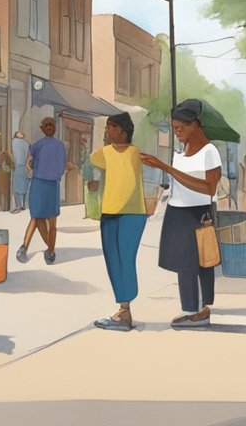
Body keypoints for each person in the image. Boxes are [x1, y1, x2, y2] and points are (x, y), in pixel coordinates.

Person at [141, 99, 222, 329]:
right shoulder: (180, 152)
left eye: (180, 128)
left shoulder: (210, 152)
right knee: (182, 263)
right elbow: (177, 183)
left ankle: (200, 311)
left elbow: (210, 188)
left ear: (195, 125)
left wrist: (166, 168)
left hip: (198, 213)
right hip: (177, 210)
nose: (177, 133)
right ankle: (192, 310)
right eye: (174, 128)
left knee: (199, 262)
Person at [90, 113, 147, 331]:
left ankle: (125, 309)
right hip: (110, 212)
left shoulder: (134, 153)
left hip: (132, 214)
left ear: (123, 130)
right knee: (113, 260)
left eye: (111, 128)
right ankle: (123, 310)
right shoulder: (105, 152)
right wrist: (106, 142)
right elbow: (94, 158)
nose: (107, 131)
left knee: (126, 258)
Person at [19, 117, 66, 265]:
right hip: (42, 183)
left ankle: (33, 248)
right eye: (47, 125)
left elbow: (29, 163)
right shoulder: (41, 145)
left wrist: (33, 167)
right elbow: (30, 162)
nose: (50, 127)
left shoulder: (53, 145)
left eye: (52, 125)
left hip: (47, 184)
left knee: (46, 219)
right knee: (39, 217)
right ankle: (48, 251)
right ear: (42, 128)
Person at [9, 131, 31, 213]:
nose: (20, 134)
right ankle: (21, 205)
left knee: (19, 187)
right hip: (22, 167)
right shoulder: (25, 143)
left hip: (21, 167)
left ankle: (20, 205)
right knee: (21, 186)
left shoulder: (16, 142)